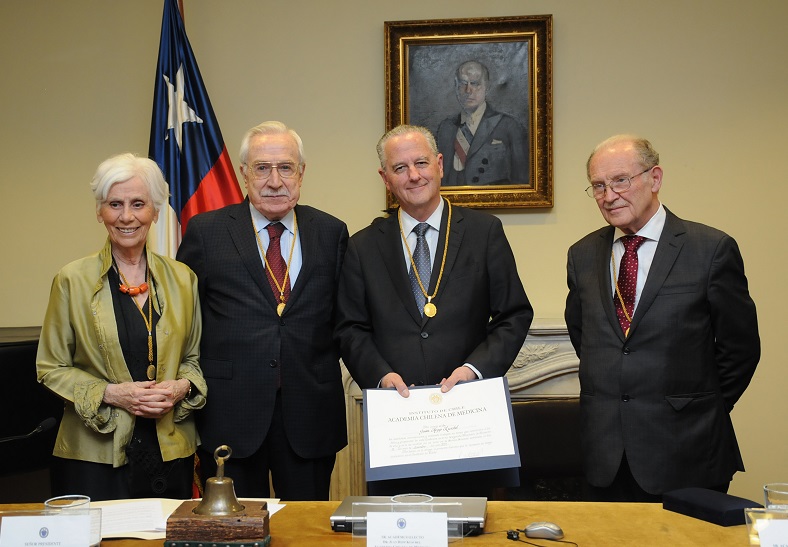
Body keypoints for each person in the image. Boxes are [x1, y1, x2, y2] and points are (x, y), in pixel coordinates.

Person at [335, 124, 533, 495]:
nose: (414, 175)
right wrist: (380, 376)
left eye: (422, 162)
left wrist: (475, 370)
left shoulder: (484, 231)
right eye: (400, 168)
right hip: (399, 421)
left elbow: (514, 314)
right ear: (385, 178)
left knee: (476, 534)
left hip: (469, 420)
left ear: (440, 165)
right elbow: (350, 328)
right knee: (402, 533)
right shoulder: (362, 246)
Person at [565, 134, 760, 502]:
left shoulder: (711, 250)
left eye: (620, 180)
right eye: (598, 186)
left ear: (654, 178)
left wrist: (694, 407)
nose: (609, 196)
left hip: (687, 450)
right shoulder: (582, 254)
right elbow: (586, 338)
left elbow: (741, 349)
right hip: (606, 455)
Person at [177, 121, 348, 500]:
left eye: (285, 167)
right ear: (244, 174)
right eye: (262, 168)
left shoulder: (331, 232)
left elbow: (346, 319)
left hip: (310, 413)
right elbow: (184, 322)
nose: (274, 181)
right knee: (233, 535)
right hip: (230, 414)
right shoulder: (206, 232)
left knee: (307, 534)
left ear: (301, 173)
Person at [36, 153, 207, 501]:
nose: (126, 216)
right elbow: (50, 368)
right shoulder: (71, 280)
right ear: (99, 211)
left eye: (138, 204)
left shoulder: (183, 279)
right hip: (93, 456)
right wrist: (113, 394)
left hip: (171, 451)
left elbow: (194, 358)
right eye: (115, 204)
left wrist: (179, 387)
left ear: (155, 211)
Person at [435, 60, 529, 186]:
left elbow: (521, 179)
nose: (468, 90)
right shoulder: (446, 128)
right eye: (463, 84)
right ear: (456, 87)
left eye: (475, 84)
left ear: (487, 87)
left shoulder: (509, 126)